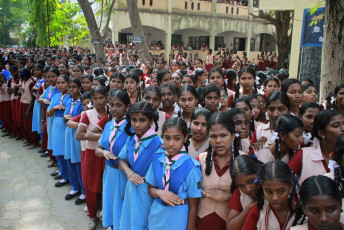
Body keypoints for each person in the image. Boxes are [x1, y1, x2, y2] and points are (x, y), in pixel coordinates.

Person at [146, 117, 202, 230]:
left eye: (177, 139)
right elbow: (150, 189)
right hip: (156, 217)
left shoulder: (191, 167)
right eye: (167, 138)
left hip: (178, 220)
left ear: (185, 138)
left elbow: (193, 206)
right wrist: (160, 192)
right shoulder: (157, 159)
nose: (171, 144)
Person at [118, 101, 164, 230]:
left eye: (142, 120)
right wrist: (129, 173)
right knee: (129, 220)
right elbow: (121, 159)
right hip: (131, 186)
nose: (137, 125)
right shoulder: (132, 139)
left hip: (147, 191)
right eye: (134, 120)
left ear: (150, 121)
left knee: (142, 222)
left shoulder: (159, 144)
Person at [196, 112, 245, 230]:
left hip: (231, 222)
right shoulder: (200, 160)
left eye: (223, 135)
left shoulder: (243, 161)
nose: (218, 141)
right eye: (213, 136)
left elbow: (252, 196)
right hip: (202, 222)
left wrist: (229, 196)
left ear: (233, 135)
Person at [95, 89, 131, 229]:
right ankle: (111, 225)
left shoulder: (131, 128)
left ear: (127, 107)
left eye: (119, 105)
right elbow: (98, 148)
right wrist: (103, 153)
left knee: (121, 204)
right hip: (109, 171)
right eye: (112, 105)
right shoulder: (109, 125)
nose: (114, 108)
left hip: (124, 174)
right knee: (110, 200)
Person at [76, 86, 108, 230]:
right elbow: (79, 134)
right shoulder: (87, 114)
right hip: (91, 152)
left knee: (106, 184)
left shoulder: (112, 112)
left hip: (108, 154)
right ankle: (92, 215)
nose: (98, 101)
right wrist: (105, 137)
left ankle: (106, 215)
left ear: (106, 97)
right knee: (91, 185)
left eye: (101, 97)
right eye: (95, 98)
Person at [288, 110, 344, 184]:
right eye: (336, 125)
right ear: (321, 133)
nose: (343, 128)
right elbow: (284, 185)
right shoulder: (303, 155)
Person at [242, 160, 300, 229]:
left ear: (291, 186)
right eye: (269, 192)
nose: (275, 198)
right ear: (262, 188)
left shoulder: (300, 213)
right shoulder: (258, 212)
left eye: (281, 191)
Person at [66, 91, 92, 205]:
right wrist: (80, 125)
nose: (87, 106)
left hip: (94, 148)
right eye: (84, 104)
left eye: (89, 103)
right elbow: (69, 122)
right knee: (84, 170)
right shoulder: (82, 115)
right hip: (84, 147)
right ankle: (84, 192)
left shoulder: (97, 115)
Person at [46, 74, 71, 187]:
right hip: (57, 124)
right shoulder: (56, 96)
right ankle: (63, 173)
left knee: (66, 151)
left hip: (67, 125)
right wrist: (55, 108)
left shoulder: (71, 96)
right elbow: (48, 113)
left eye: (63, 83)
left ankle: (69, 176)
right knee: (58, 150)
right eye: (58, 83)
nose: (60, 85)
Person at [227, 155, 261, 230]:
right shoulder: (239, 194)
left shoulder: (272, 189)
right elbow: (230, 227)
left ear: (259, 173)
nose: (248, 189)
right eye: (241, 186)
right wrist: (249, 207)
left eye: (251, 181)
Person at [63, 78, 83, 201]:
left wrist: (72, 120)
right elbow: (65, 117)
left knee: (78, 162)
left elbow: (83, 119)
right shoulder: (69, 101)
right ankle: (75, 187)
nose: (71, 89)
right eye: (69, 87)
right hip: (68, 133)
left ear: (79, 88)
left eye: (74, 87)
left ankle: (83, 190)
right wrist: (67, 118)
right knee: (70, 159)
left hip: (77, 133)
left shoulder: (82, 102)